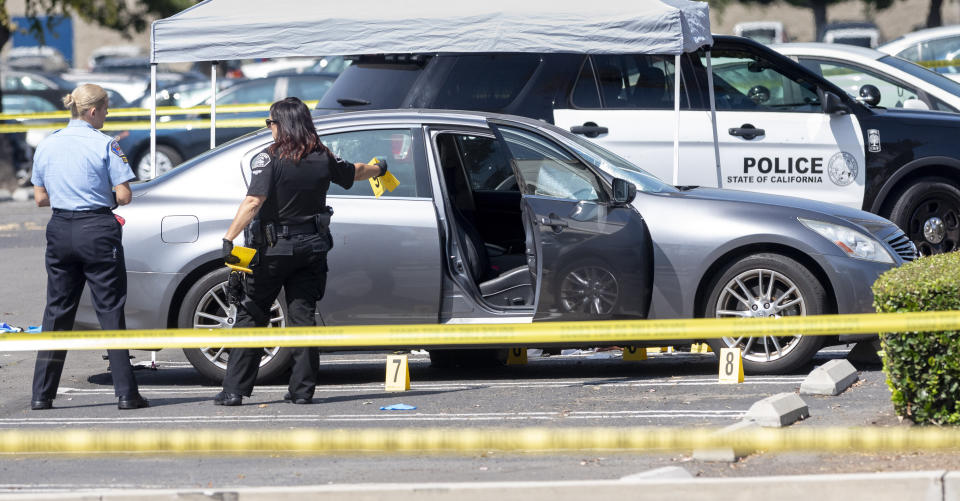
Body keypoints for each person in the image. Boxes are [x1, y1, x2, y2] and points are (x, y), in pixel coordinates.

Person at [214, 97, 388, 406]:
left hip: (271, 250)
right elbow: (356, 172)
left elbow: (253, 202)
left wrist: (229, 238)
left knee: (252, 313)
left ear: (283, 125)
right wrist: (379, 168)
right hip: (311, 249)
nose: (269, 128)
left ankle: (234, 390)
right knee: (302, 317)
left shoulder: (269, 158)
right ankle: (302, 391)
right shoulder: (322, 157)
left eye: (271, 123)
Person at [30, 83, 149, 411]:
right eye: (106, 108)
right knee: (109, 309)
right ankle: (126, 393)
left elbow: (40, 198)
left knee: (56, 310)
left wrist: (68, 196)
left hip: (60, 227)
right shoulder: (105, 144)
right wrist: (95, 197)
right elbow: (124, 195)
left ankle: (42, 394)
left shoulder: (48, 144)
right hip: (97, 228)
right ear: (93, 111)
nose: (108, 114)